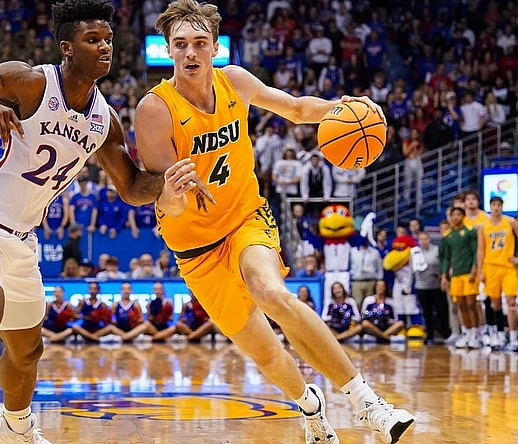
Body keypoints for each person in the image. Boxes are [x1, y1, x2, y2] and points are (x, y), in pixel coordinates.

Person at [0, 2, 212, 443]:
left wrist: (170, 181)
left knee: (27, 349)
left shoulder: (103, 120)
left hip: (22, 239)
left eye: (108, 39)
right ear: (67, 48)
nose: (104, 46)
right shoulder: (32, 82)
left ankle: (14, 428)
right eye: (92, 39)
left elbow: (131, 187)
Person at [134, 2, 415, 443]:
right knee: (265, 354)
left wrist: (340, 108)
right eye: (181, 45)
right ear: (169, 50)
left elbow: (298, 109)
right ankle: (310, 404)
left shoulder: (236, 82)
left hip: (246, 217)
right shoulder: (155, 109)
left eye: (200, 44)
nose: (191, 53)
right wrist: (176, 191)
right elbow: (164, 200)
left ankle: (367, 402)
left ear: (214, 47)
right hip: (194, 248)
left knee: (270, 291)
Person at [476, 196, 518, 351]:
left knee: (511, 303)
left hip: (508, 267)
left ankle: (514, 338)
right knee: (495, 304)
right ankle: (500, 335)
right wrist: (480, 271)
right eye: (494, 205)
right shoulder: (483, 226)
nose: (496, 207)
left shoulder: (511, 222)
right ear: (490, 207)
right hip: (490, 267)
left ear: (502, 206)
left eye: (499, 205)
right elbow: (480, 250)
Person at [440, 207, 480, 349]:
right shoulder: (447, 235)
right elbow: (445, 257)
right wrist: (444, 276)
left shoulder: (470, 231)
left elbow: (476, 252)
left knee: (471, 304)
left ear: (463, 216)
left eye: (458, 214)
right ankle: (466, 333)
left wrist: (474, 270)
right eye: (453, 215)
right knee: (461, 305)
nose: (456, 217)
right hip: (456, 275)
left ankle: (475, 333)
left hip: (468, 272)